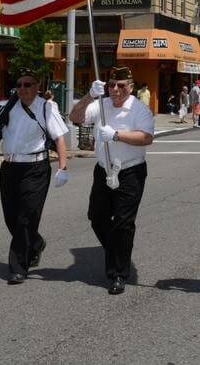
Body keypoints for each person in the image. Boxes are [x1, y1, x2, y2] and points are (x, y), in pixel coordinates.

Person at [0, 68, 69, 284]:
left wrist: (63, 168)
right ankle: (35, 243)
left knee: (26, 217)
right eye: (20, 85)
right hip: (10, 167)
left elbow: (59, 138)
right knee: (11, 218)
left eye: (28, 84)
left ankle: (18, 267)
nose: (23, 89)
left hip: (35, 168)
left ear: (37, 87)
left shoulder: (46, 107)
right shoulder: (8, 108)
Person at [70, 66, 154, 295]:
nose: (115, 90)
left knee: (123, 223)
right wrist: (89, 96)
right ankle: (116, 251)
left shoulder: (139, 109)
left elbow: (146, 137)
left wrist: (116, 135)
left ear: (131, 86)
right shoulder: (101, 105)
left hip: (130, 171)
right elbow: (75, 117)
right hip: (103, 170)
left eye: (121, 86)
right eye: (111, 85)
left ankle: (118, 273)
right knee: (97, 217)